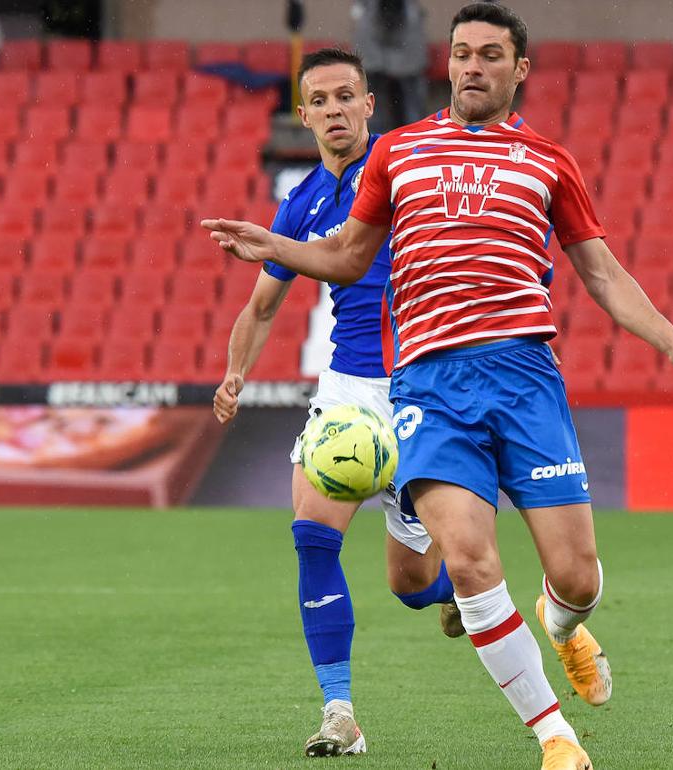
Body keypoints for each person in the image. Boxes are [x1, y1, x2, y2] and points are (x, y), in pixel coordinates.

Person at [203, 5, 673, 768]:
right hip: (425, 386)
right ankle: (554, 737)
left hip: (523, 378)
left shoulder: (550, 160)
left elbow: (603, 274)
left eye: (489, 54)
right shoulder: (402, 156)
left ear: (520, 69)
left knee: (574, 575)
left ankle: (562, 619)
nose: (472, 66)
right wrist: (272, 244)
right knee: (467, 560)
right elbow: (348, 258)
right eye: (459, 53)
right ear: (443, 64)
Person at [211, 47, 460, 759]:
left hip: (419, 389)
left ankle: (449, 593)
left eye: (346, 97)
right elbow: (261, 309)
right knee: (312, 538)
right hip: (346, 392)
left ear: (370, 103)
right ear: (304, 114)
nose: (334, 111)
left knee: (409, 584)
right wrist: (235, 374)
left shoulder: (410, 168)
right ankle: (339, 712)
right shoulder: (300, 203)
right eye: (319, 100)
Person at [351, 0, 429, 131]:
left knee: (374, 108)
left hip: (386, 55)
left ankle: (376, 144)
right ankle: (413, 141)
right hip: (395, 56)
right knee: (407, 109)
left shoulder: (367, 11)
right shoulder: (410, 11)